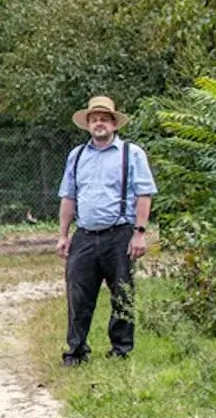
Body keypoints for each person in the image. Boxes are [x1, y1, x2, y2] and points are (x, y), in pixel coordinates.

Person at [56, 96, 156, 366]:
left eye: (104, 118)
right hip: (85, 235)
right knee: (78, 294)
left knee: (122, 292)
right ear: (87, 124)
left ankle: (121, 349)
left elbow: (144, 194)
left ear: (114, 123)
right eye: (94, 119)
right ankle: (76, 350)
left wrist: (140, 232)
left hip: (120, 234)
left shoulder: (131, 154)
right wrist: (64, 235)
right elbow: (68, 197)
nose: (99, 123)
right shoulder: (76, 156)